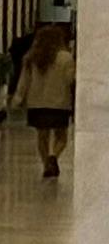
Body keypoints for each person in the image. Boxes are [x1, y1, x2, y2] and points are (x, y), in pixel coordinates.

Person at [34, 23, 78, 179]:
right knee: (61, 136)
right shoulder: (65, 57)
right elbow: (70, 79)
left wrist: (18, 98)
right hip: (60, 102)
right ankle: (54, 156)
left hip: (37, 102)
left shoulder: (33, 57)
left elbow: (25, 80)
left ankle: (46, 163)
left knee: (42, 136)